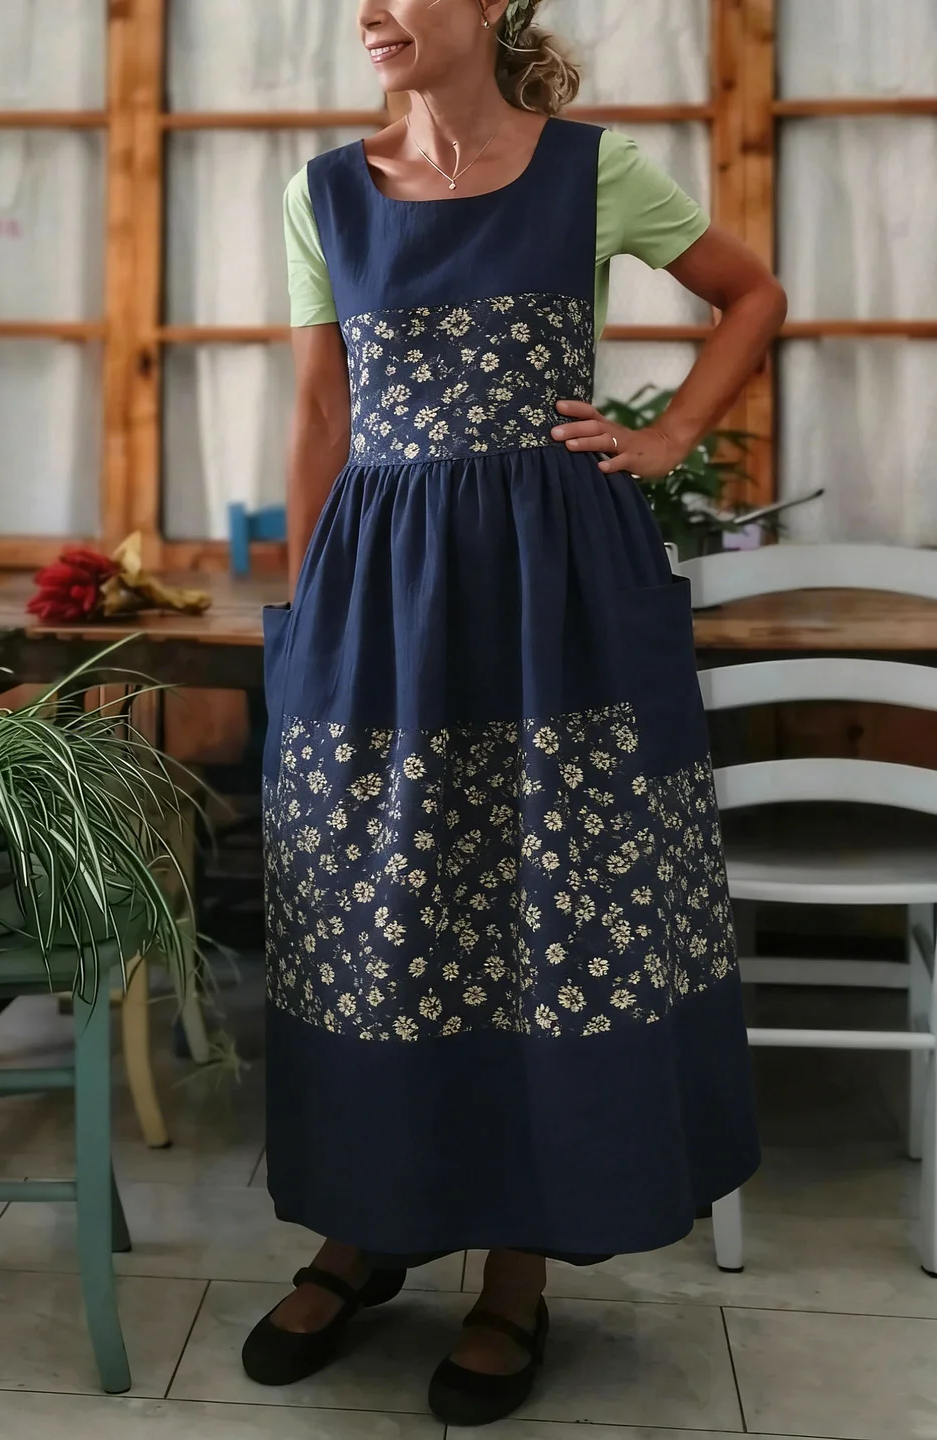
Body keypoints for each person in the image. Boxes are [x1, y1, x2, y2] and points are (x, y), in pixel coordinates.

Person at [245, 0, 786, 1426]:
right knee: (379, 916)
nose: (370, 11)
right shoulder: (321, 194)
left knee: (548, 910)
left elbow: (751, 293)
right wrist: (307, 627)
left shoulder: (593, 170)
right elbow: (321, 419)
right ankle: (359, 1238)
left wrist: (670, 434)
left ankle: (517, 1274)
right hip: (379, 595)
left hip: (559, 598)